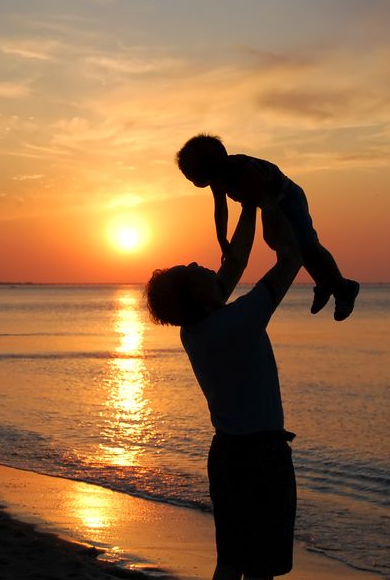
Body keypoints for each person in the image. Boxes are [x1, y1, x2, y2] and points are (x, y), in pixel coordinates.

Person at [145, 203, 301, 580]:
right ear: (198, 296)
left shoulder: (195, 329)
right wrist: (276, 206)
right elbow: (291, 261)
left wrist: (248, 206)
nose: (200, 264)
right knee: (261, 567)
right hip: (261, 455)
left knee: (231, 561)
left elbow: (237, 260)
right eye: (192, 270)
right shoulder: (239, 320)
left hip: (228, 455)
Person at [176, 133, 360, 321]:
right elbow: (220, 208)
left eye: (193, 177)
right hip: (269, 203)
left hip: (286, 197)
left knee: (307, 244)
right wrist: (222, 239)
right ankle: (323, 283)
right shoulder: (219, 180)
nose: (195, 182)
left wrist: (271, 221)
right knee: (280, 242)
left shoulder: (242, 171)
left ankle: (343, 287)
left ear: (208, 170)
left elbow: (263, 199)